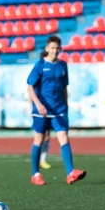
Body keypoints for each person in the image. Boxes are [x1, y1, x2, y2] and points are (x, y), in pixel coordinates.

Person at [27, 35, 86, 185]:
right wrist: (38, 105)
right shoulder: (40, 65)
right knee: (39, 140)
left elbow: (64, 87)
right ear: (47, 48)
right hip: (42, 110)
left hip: (59, 109)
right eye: (52, 48)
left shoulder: (63, 65)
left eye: (57, 48)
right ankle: (35, 174)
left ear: (60, 49)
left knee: (64, 137)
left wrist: (66, 105)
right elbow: (30, 87)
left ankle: (70, 172)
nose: (54, 51)